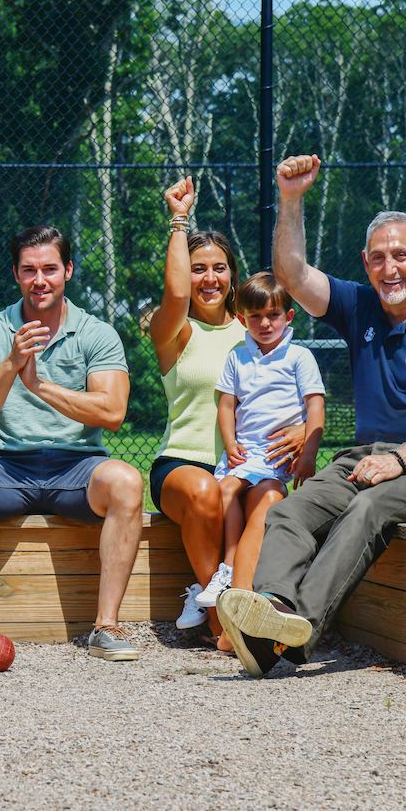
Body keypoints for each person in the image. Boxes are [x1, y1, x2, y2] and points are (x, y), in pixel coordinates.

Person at [218, 154, 406, 678]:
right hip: (365, 459)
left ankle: (298, 630)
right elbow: (291, 273)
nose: (388, 268)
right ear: (365, 263)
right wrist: (291, 200)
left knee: (366, 511)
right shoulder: (359, 305)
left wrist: (400, 459)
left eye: (401, 256)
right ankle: (269, 616)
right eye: (377, 258)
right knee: (288, 512)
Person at [0, 225, 146, 661]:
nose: (39, 279)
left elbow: (112, 413)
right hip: (6, 467)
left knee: (127, 481)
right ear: (16, 274)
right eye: (29, 270)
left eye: (49, 269)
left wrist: (39, 385)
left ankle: (105, 626)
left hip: (77, 467)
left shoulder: (97, 333)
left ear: (68, 271)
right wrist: (12, 364)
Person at [143, 177, 304, 643]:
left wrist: (299, 431)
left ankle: (246, 610)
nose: (208, 278)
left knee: (271, 500)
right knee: (205, 491)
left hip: (249, 463)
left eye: (218, 267)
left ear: (233, 274)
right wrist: (179, 220)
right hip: (184, 465)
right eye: (197, 268)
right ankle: (218, 614)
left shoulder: (255, 330)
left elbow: (284, 386)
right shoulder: (172, 331)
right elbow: (174, 296)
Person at [199, 272, 325, 653]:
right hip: (244, 452)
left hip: (275, 457)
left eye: (273, 315)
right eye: (256, 317)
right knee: (224, 491)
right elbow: (225, 405)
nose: (265, 324)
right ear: (242, 319)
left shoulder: (299, 356)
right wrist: (230, 441)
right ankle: (229, 567)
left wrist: (308, 454)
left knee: (267, 496)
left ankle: (232, 573)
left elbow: (315, 407)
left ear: (289, 317)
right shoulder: (238, 356)